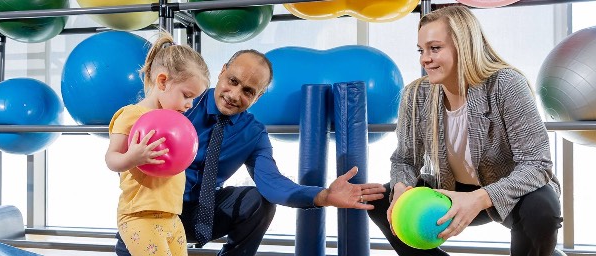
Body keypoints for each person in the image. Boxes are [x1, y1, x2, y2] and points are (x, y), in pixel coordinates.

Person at [115, 49, 387, 256]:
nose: (234, 94)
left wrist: (324, 195)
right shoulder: (183, 100)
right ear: (222, 72)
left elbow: (272, 184)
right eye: (232, 81)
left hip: (203, 213)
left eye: (248, 91)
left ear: (258, 96)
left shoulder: (253, 133)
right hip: (155, 210)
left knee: (259, 200)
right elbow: (133, 129)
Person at [366, 5, 563, 256]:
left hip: (509, 190)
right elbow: (405, 159)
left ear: (464, 46)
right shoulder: (416, 94)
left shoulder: (506, 84)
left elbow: (537, 164)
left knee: (541, 212)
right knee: (382, 201)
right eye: (421, 50)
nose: (424, 58)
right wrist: (401, 189)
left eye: (435, 48)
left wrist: (481, 198)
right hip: (452, 188)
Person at [105, 31, 210, 256]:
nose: (190, 104)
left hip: (171, 215)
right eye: (186, 95)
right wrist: (132, 157)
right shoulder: (132, 115)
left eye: (194, 99)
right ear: (162, 81)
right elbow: (111, 158)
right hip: (138, 216)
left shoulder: (175, 124)